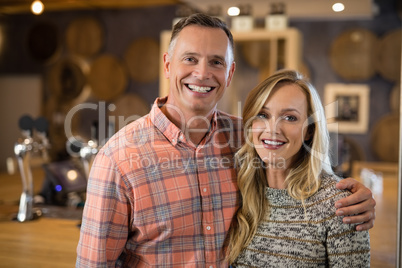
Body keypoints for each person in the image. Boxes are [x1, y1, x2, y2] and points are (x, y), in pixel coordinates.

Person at [76, 13, 375, 267]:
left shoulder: (245, 138)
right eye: (190, 59)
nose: (202, 73)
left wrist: (355, 197)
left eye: (216, 62)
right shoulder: (117, 159)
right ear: (168, 64)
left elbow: (299, 172)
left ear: (230, 72)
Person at [227, 70, 370, 267]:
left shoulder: (339, 203)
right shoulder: (237, 191)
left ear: (310, 131)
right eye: (262, 114)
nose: (272, 129)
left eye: (290, 118)